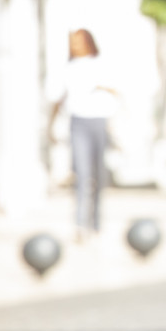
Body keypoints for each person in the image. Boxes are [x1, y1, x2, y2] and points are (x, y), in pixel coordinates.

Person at [50, 28, 116, 239]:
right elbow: (59, 98)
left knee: (98, 174)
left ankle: (96, 222)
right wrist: (51, 125)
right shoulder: (68, 68)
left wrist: (102, 89)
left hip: (99, 121)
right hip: (78, 122)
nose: (75, 46)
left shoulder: (100, 65)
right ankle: (80, 223)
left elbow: (115, 91)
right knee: (82, 173)